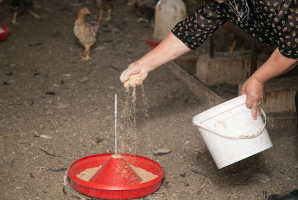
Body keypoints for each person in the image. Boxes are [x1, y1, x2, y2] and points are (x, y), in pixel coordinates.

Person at [120, 0, 297, 199]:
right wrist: (144, 64)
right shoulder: (221, 2)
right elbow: (193, 29)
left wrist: (258, 78)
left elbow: (294, 41)